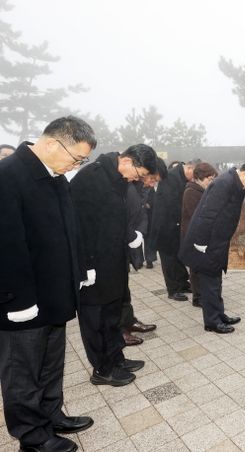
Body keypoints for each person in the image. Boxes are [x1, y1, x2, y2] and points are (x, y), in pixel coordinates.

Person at [0, 116, 96, 452]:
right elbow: (5, 246)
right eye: (76, 158)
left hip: (56, 293)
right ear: (53, 143)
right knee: (22, 372)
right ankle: (32, 435)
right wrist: (16, 301)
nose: (76, 166)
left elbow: (71, 229)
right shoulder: (8, 176)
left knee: (51, 364)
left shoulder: (55, 177)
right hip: (23, 302)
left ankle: (51, 415)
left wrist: (81, 268)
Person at [70, 144, 158, 387]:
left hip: (113, 261)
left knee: (112, 315)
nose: (137, 179)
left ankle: (116, 359)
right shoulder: (91, 178)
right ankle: (102, 369)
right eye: (139, 174)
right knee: (95, 319)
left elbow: (116, 217)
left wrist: (130, 237)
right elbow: (78, 226)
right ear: (127, 161)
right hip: (93, 265)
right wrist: (85, 265)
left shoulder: (117, 178)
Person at [179, 161, 245, 334]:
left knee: (215, 279)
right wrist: (201, 242)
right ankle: (212, 322)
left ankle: (219, 314)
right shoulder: (224, 183)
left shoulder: (235, 183)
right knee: (209, 281)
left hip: (217, 240)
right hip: (207, 242)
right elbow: (207, 214)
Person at [119, 160, 166, 346]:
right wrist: (133, 234)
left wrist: (139, 232)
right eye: (152, 179)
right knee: (116, 291)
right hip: (118, 244)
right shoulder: (126, 186)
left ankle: (129, 321)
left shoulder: (138, 187)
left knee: (124, 289)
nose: (152, 184)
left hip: (128, 242)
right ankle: (120, 330)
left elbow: (140, 214)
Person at [150, 159, 200, 301]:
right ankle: (173, 290)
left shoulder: (180, 176)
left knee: (178, 257)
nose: (195, 179)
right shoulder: (171, 177)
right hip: (165, 228)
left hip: (175, 226)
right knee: (169, 260)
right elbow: (171, 206)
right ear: (190, 168)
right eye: (195, 176)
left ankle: (183, 284)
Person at [181, 162, 218, 307]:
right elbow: (196, 217)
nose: (211, 181)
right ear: (200, 177)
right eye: (209, 178)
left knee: (201, 267)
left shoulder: (202, 191)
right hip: (194, 236)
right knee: (196, 268)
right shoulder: (191, 192)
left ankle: (203, 294)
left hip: (201, 235)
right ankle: (198, 298)